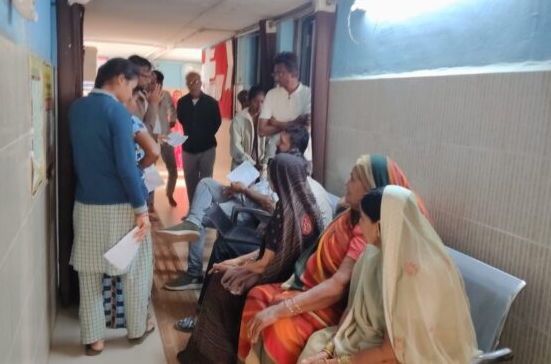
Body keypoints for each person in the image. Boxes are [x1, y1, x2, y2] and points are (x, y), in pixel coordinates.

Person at [237, 155, 427, 363]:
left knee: (279, 330)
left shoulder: (374, 239)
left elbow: (341, 290)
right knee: (257, 297)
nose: (346, 184)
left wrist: (283, 310)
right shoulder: (356, 225)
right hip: (317, 292)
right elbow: (355, 303)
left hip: (331, 306)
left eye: (353, 179)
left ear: (371, 188)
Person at [299, 186, 478, 364]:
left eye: (363, 219)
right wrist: (328, 349)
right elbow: (353, 311)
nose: (359, 224)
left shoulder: (418, 275)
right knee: (315, 345)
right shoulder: (372, 255)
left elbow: (394, 350)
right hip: (365, 339)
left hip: (406, 355)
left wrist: (336, 362)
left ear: (379, 226)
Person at [177, 153, 324, 364]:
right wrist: (236, 262)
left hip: (274, 277)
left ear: (279, 179)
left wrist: (235, 269)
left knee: (219, 283)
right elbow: (271, 253)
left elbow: (264, 265)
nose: (270, 181)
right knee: (224, 269)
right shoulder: (309, 207)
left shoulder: (284, 212)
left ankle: (213, 356)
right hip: (293, 275)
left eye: (272, 176)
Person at [157, 125, 333, 293]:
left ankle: (194, 271)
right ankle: (192, 222)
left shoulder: (292, 181)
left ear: (293, 148)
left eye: (282, 142)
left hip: (252, 213)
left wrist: (245, 190)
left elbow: (273, 208)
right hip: (246, 198)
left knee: (201, 217)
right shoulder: (284, 168)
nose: (277, 144)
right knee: (206, 183)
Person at [68, 58, 154, 355]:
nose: (131, 94)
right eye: (131, 86)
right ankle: (136, 329)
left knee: (90, 274)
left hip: (85, 203)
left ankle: (95, 339)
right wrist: (141, 210)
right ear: (119, 79)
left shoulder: (76, 109)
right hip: (121, 206)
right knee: (136, 270)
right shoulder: (117, 112)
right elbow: (127, 168)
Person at [102, 88, 160, 329]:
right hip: (133, 193)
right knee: (135, 258)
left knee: (112, 254)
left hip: (109, 194)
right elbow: (153, 151)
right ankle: (135, 318)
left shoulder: (106, 121)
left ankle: (112, 315)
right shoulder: (132, 122)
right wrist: (139, 168)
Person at [176, 72, 222, 203]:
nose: (193, 85)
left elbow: (217, 122)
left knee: (206, 180)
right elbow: (181, 119)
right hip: (188, 149)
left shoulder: (211, 103)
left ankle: (205, 208)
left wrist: (204, 135)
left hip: (207, 148)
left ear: (201, 83)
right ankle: (193, 208)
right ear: (187, 84)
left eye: (196, 81)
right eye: (190, 82)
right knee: (190, 181)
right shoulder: (182, 102)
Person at [258, 52, 312, 164]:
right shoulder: (271, 94)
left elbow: (305, 129)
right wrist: (294, 122)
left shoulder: (308, 94)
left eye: (280, 73)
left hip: (301, 158)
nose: (276, 78)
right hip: (274, 155)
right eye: (275, 73)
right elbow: (262, 130)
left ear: (294, 73)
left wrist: (275, 123)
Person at [143, 69, 179, 207]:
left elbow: (172, 109)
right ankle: (150, 201)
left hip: (166, 136)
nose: (156, 86)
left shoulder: (166, 95)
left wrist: (173, 120)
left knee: (173, 168)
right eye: (153, 83)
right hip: (151, 138)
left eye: (158, 83)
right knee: (150, 170)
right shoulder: (144, 96)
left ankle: (170, 193)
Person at [231, 85, 268, 175]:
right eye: (256, 101)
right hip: (241, 165)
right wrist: (251, 163)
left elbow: (270, 144)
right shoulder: (239, 119)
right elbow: (236, 147)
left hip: (261, 168)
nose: (259, 105)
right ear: (250, 101)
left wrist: (264, 162)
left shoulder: (267, 119)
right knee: (240, 184)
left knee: (261, 184)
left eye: (262, 102)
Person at [127, 55, 152, 121]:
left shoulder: (142, 98)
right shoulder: (120, 98)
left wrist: (153, 104)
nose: (149, 81)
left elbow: (145, 126)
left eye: (149, 77)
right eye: (145, 76)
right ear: (132, 74)